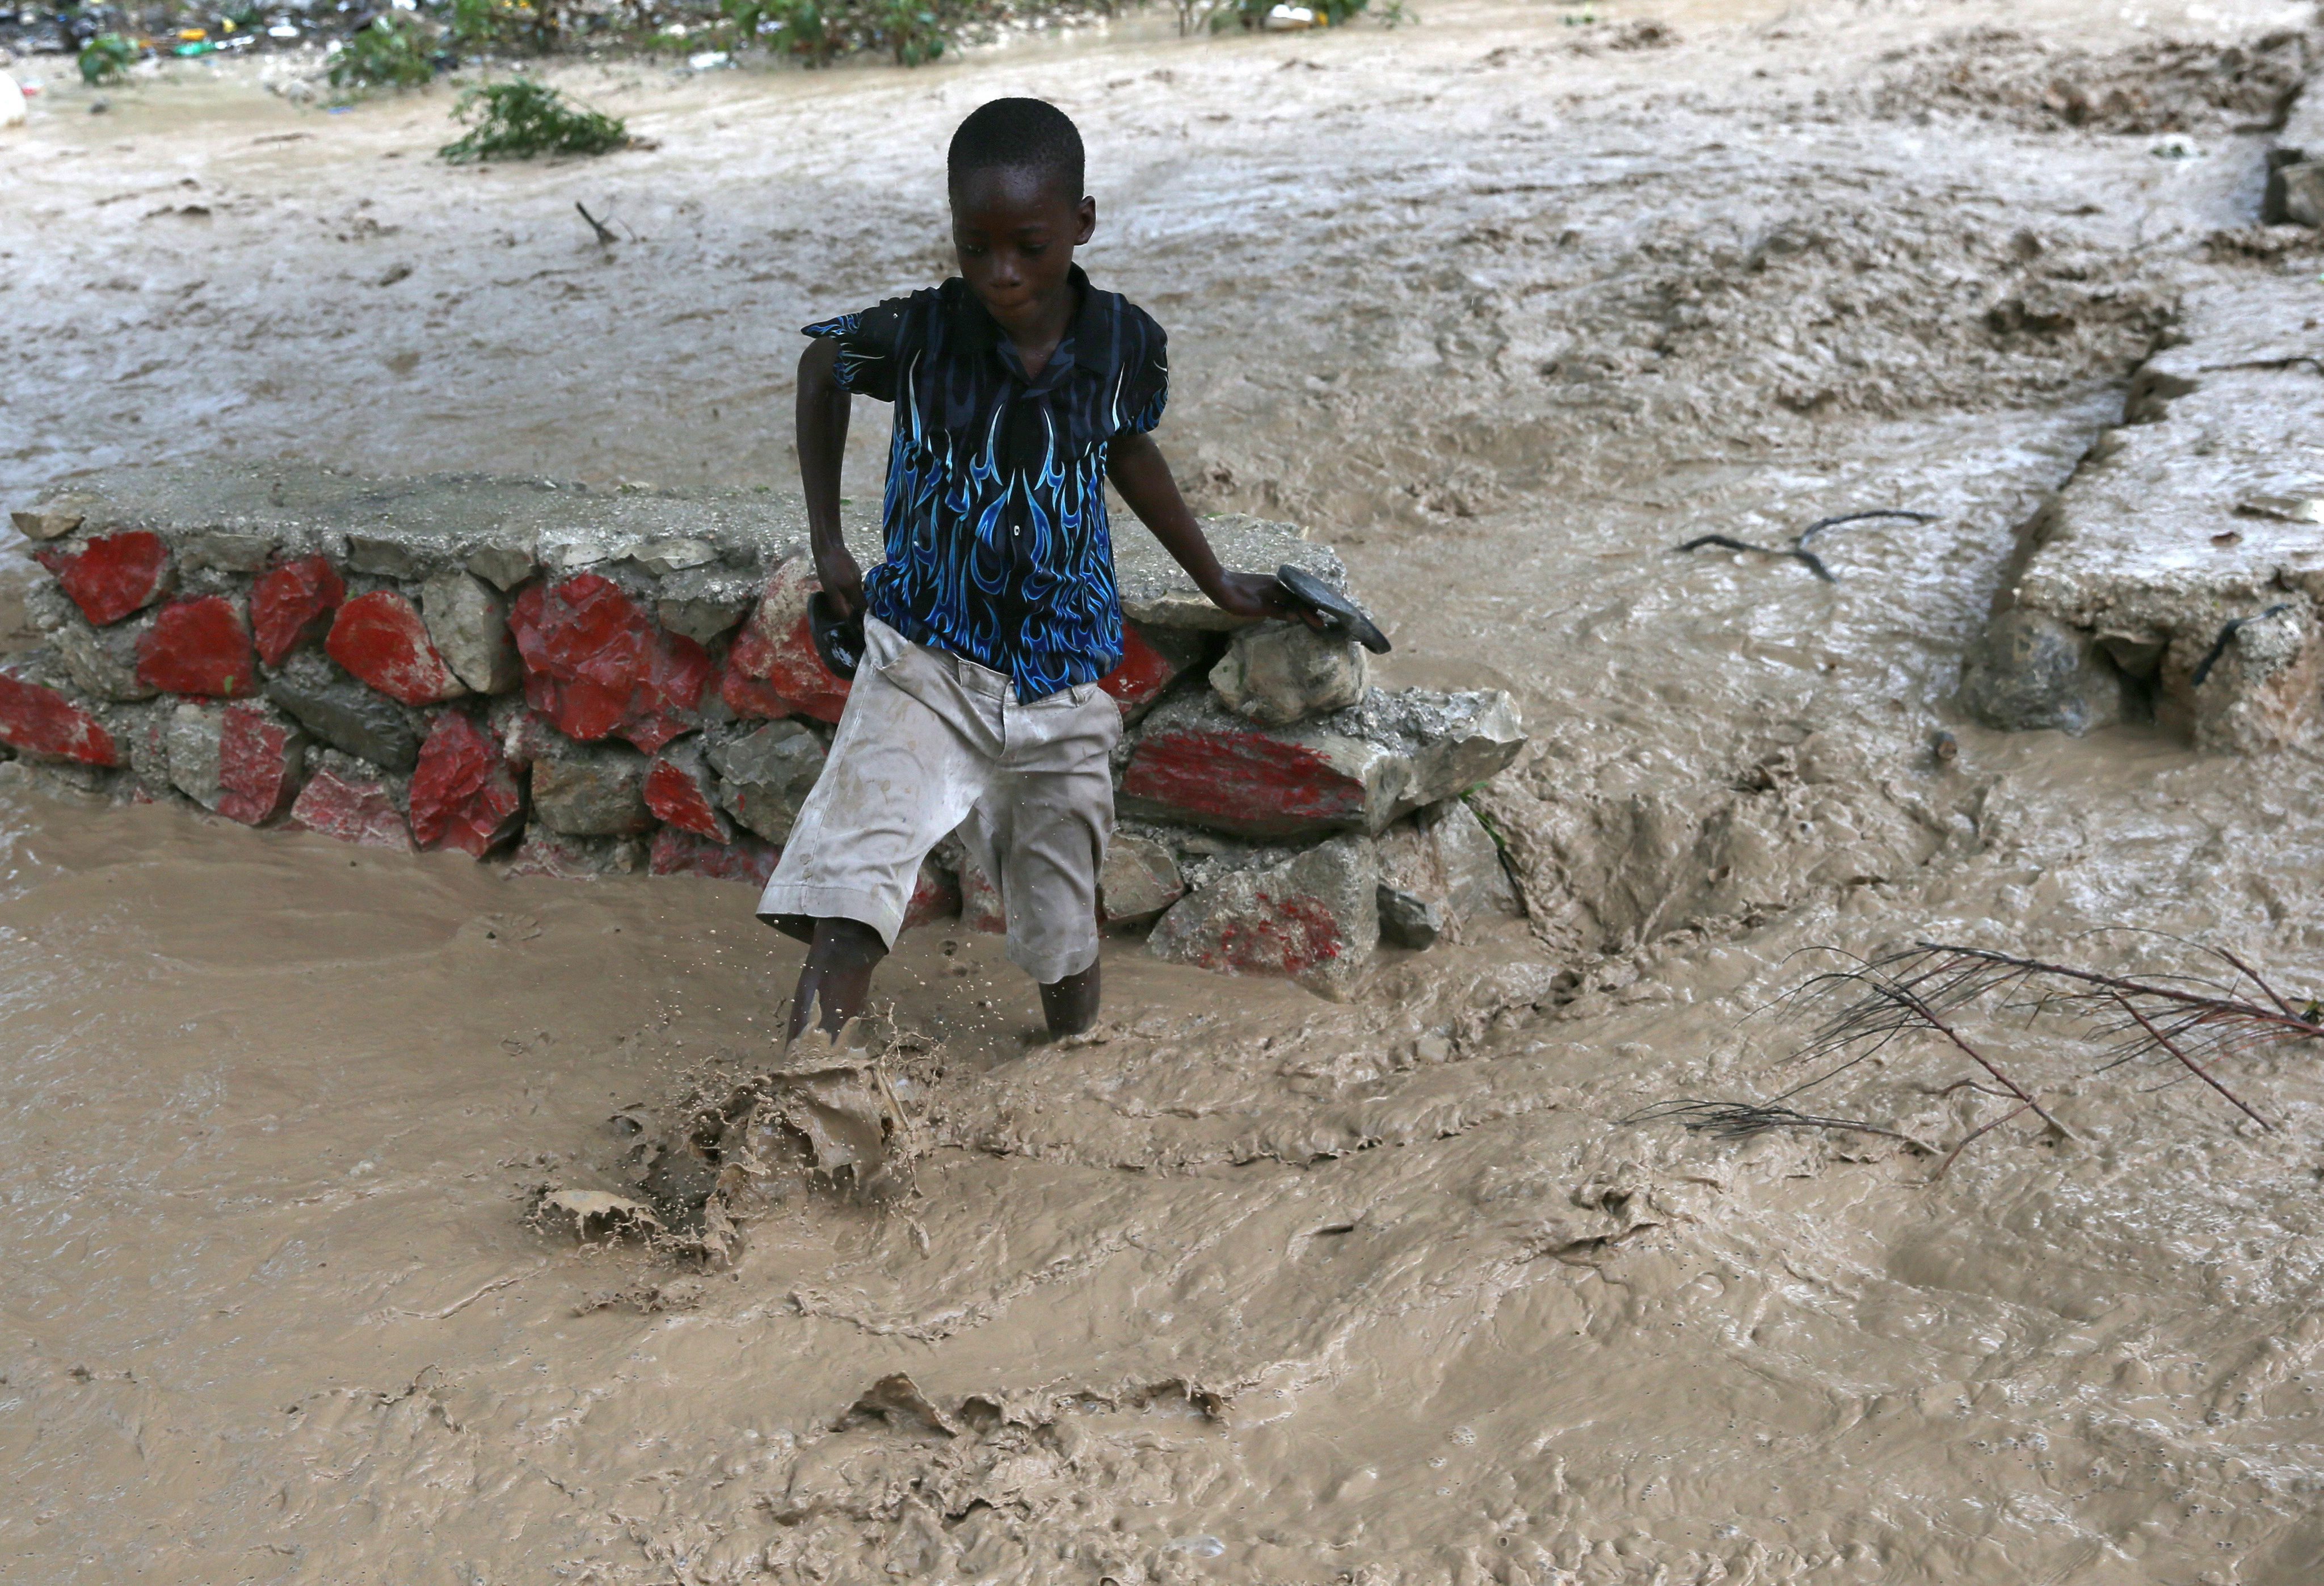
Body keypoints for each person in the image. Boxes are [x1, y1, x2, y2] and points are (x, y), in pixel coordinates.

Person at [758, 95, 1296, 1049]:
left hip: (1059, 683)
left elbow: (1129, 451)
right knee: (851, 903)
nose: (1000, 273)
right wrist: (829, 541)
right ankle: (802, 1104)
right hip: (923, 661)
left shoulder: (1126, 346)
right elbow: (821, 367)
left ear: (1081, 224)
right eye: (976, 247)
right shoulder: (920, 333)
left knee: (1061, 936)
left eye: (1029, 246)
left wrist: (1218, 581)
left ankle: (1069, 1063)